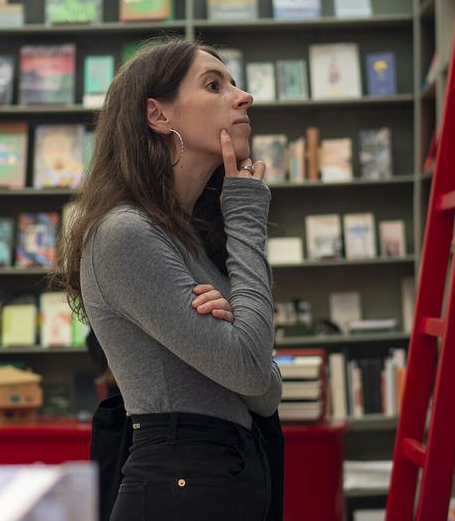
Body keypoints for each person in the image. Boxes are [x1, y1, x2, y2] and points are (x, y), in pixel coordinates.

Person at [52, 38, 284, 521]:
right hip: (178, 489)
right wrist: (245, 215)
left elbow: (265, 390)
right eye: (214, 85)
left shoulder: (193, 240)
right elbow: (248, 369)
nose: (244, 97)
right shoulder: (124, 234)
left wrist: (243, 336)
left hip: (220, 482)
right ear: (158, 116)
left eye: (235, 84)